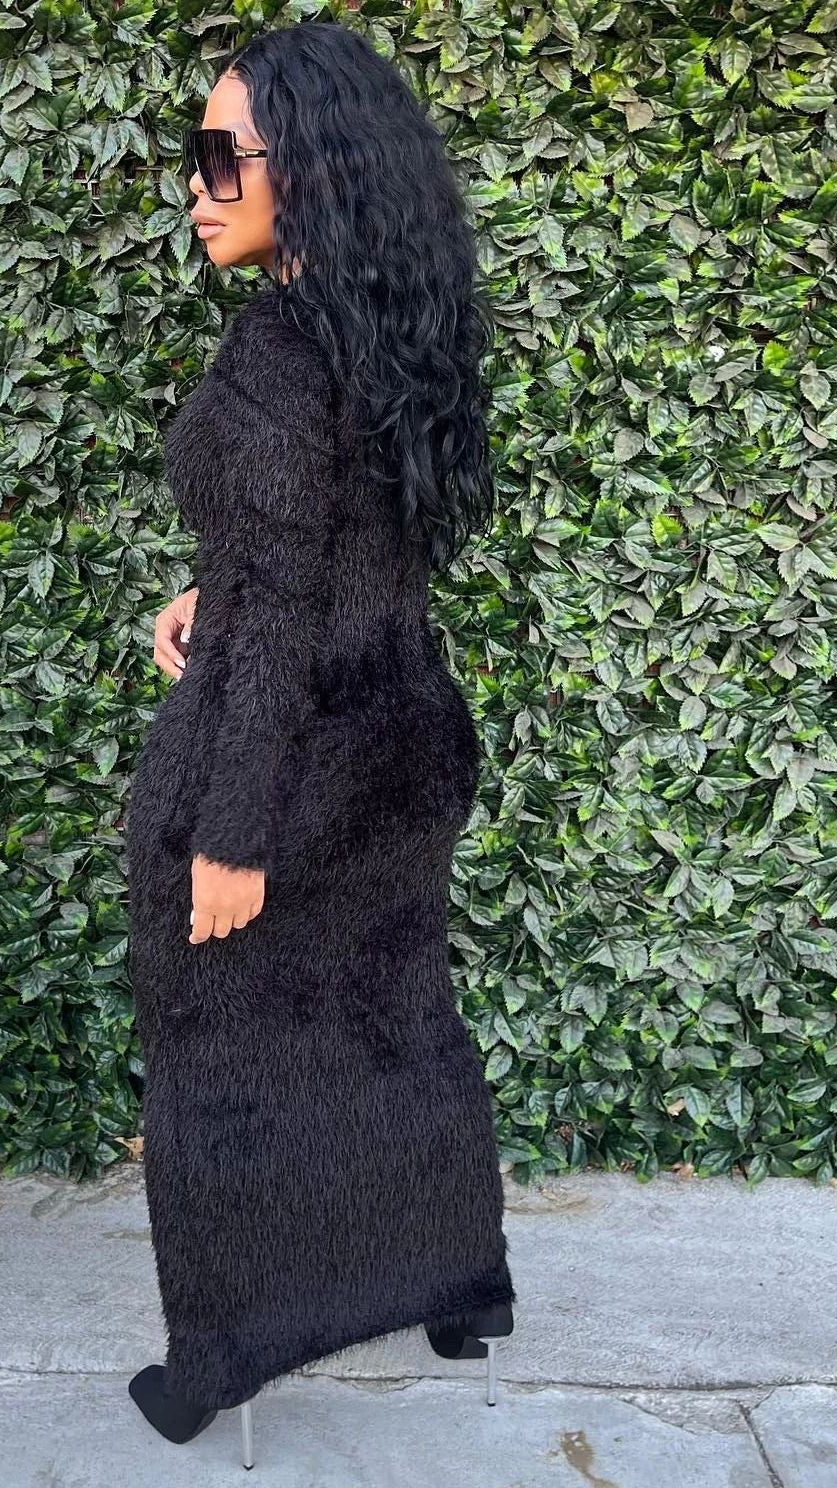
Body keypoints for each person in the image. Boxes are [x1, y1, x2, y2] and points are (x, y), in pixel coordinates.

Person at [124, 19, 515, 1454]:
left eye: (224, 155)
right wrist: (214, 586)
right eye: (196, 154)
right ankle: (462, 1285)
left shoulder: (279, 352)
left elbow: (288, 609)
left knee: (214, 1051)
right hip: (405, 745)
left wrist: (232, 838)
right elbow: (336, 543)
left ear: (315, 168)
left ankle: (221, 1352)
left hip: (290, 763)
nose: (199, 183)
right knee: (399, 1013)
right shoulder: (397, 319)